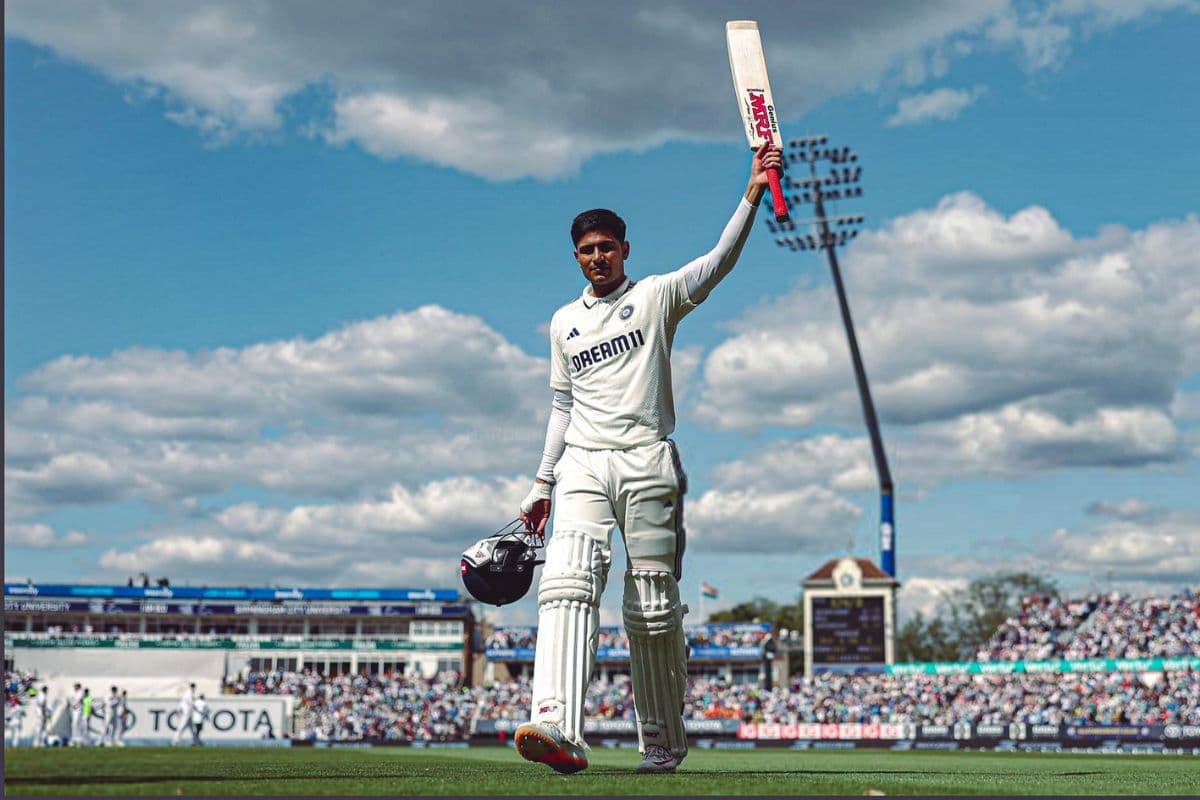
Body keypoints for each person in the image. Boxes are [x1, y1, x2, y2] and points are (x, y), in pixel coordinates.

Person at [513, 142, 782, 775]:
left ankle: (661, 744)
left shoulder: (658, 296)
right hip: (583, 460)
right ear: (575, 257)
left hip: (648, 459)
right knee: (568, 579)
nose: (597, 256)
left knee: (653, 605)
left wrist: (751, 192)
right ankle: (556, 725)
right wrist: (541, 482)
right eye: (586, 249)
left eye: (607, 246)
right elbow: (561, 405)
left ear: (624, 250)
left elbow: (717, 264)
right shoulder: (562, 323)